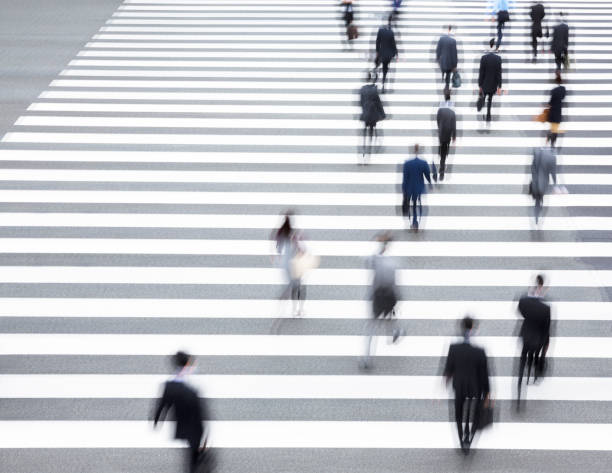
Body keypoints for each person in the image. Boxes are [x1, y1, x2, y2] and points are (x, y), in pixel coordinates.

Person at [153, 351, 207, 473]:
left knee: (192, 455)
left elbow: (163, 405)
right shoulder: (192, 385)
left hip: (182, 425)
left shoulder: (169, 386)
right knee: (194, 457)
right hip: (195, 427)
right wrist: (204, 434)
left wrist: (157, 420)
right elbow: (199, 411)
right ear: (188, 363)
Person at [444, 316, 491, 454]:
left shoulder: (453, 348)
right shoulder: (479, 351)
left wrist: (447, 380)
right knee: (475, 412)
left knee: (458, 414)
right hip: (475, 386)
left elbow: (448, 369)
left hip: (459, 385)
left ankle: (461, 439)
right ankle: (469, 436)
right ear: (473, 328)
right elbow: (484, 373)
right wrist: (487, 392)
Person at [361, 233, 402, 369]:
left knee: (371, 328)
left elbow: (367, 262)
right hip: (389, 296)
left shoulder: (375, 261)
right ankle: (396, 331)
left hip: (378, 297)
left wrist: (379, 247)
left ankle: (366, 358)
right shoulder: (392, 264)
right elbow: (395, 284)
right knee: (389, 318)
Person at [517, 275, 551, 407]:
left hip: (526, 335)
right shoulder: (546, 308)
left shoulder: (524, 301)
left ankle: (520, 383)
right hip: (539, 339)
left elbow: (521, 311)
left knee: (524, 356)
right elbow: (547, 328)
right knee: (536, 355)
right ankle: (536, 373)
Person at [274, 211, 304, 316]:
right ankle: (298, 308)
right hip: (295, 262)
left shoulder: (281, 233)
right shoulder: (293, 233)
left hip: (286, 263)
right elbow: (300, 247)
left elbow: (278, 248)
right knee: (298, 285)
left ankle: (291, 305)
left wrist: (278, 259)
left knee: (292, 284)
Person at [402, 144, 431, 231]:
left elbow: (405, 178)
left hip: (409, 188)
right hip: (419, 187)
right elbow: (427, 175)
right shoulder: (423, 163)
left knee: (410, 205)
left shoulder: (407, 163)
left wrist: (404, 189)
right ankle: (416, 221)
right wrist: (430, 183)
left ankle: (413, 221)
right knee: (417, 204)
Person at [529, 135, 558, 224]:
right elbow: (553, 172)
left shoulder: (537, 152)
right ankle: (538, 212)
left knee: (537, 199)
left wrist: (534, 177)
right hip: (544, 182)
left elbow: (532, 167)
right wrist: (555, 183)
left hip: (535, 181)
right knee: (540, 198)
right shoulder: (552, 157)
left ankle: (536, 214)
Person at [359, 70, 386, 163]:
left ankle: (363, 151)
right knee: (371, 133)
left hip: (365, 113)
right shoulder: (374, 90)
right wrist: (383, 114)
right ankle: (368, 154)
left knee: (364, 132)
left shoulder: (362, 89)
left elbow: (361, 102)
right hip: (373, 114)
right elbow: (379, 104)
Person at [478, 38, 503, 124]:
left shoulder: (484, 58)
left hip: (485, 83)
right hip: (493, 84)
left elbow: (481, 72)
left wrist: (480, 85)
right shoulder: (498, 59)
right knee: (490, 100)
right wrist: (499, 86)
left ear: (489, 45)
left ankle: (482, 106)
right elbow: (499, 73)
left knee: (484, 97)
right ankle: (488, 115)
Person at [436, 89, 456, 181]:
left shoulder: (440, 110)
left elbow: (438, 120)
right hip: (448, 134)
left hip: (441, 132)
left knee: (442, 147)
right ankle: (442, 170)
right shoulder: (452, 113)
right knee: (445, 151)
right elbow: (453, 125)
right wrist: (454, 135)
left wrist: (439, 127)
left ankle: (441, 169)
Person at [375, 15, 398, 93]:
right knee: (385, 70)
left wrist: (377, 52)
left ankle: (374, 81)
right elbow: (393, 44)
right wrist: (396, 54)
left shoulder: (380, 31)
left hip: (381, 53)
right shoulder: (391, 33)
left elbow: (377, 42)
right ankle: (383, 86)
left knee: (377, 66)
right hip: (388, 55)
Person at [436, 25, 458, 89]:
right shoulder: (453, 41)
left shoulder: (441, 39)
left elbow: (438, 50)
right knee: (448, 74)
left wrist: (437, 58)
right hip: (450, 61)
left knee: (443, 69)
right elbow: (454, 53)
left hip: (443, 60)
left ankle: (443, 75)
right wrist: (455, 64)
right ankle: (447, 84)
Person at [547, 72, 566, 147]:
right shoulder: (563, 89)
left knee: (552, 128)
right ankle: (553, 143)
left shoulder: (553, 90)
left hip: (552, 111)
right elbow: (563, 97)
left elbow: (550, 102)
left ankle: (549, 138)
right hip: (558, 111)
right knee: (556, 128)